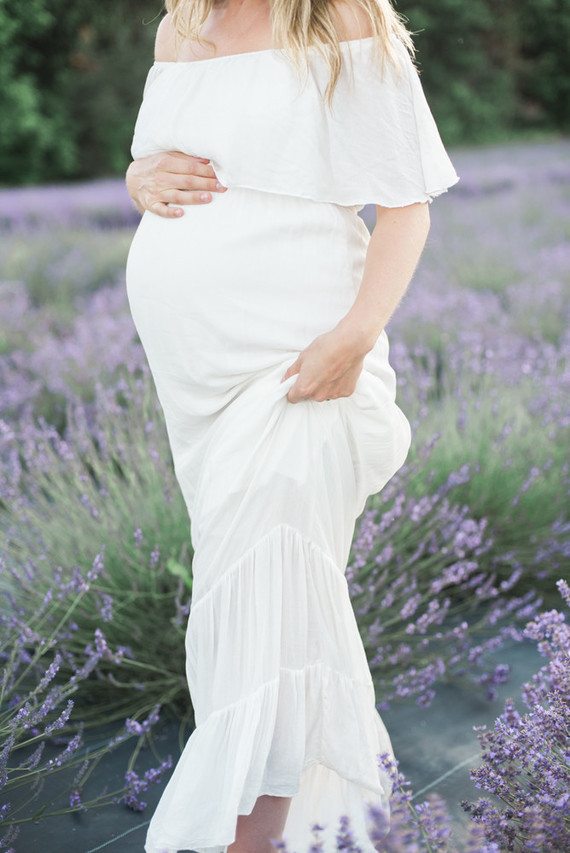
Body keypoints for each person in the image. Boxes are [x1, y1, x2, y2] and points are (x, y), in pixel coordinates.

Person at [124, 1, 459, 852]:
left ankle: (242, 838)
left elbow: (407, 205)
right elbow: (155, 165)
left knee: (264, 614)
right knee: (249, 620)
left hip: (301, 365)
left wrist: (354, 337)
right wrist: (138, 180)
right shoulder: (180, 30)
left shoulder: (341, 16)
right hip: (198, 386)